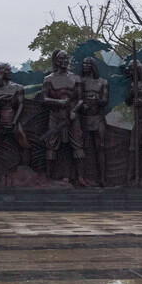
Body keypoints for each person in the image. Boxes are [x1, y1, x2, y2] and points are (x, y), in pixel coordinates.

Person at [42, 50, 87, 186]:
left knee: (78, 146)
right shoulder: (48, 79)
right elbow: (44, 98)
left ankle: (80, 177)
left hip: (72, 116)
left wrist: (74, 111)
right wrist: (58, 102)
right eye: (62, 58)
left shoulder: (76, 78)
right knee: (51, 145)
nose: (65, 60)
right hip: (56, 115)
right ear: (56, 61)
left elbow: (80, 99)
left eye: (67, 58)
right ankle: (49, 177)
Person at [0, 63, 30, 184]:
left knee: (24, 144)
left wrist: (15, 121)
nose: (10, 72)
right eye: (7, 70)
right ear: (1, 73)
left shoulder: (18, 88)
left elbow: (21, 105)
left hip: (14, 120)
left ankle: (25, 173)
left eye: (10, 70)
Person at [80, 57, 109, 186]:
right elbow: (76, 99)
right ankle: (83, 177)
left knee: (100, 148)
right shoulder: (80, 82)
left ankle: (102, 178)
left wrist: (97, 99)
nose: (85, 65)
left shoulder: (102, 82)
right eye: (84, 63)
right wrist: (82, 106)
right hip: (84, 119)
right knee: (82, 148)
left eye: (88, 63)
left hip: (98, 118)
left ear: (93, 66)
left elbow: (105, 100)